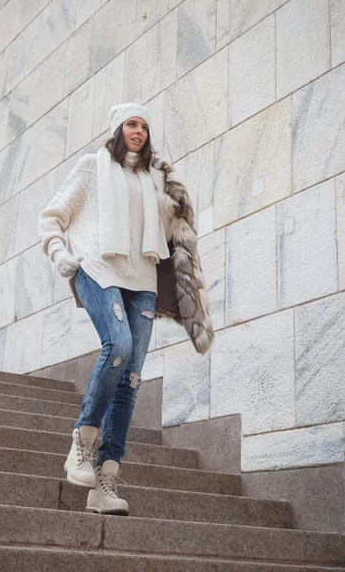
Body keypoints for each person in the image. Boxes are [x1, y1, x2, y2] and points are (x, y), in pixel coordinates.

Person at [39, 103, 214, 516]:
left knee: (131, 378)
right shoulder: (90, 167)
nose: (139, 131)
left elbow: (175, 230)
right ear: (118, 128)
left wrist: (176, 197)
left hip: (144, 280)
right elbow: (52, 217)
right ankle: (80, 444)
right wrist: (57, 251)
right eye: (132, 124)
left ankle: (106, 480)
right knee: (116, 346)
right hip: (98, 266)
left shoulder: (154, 177)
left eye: (145, 126)